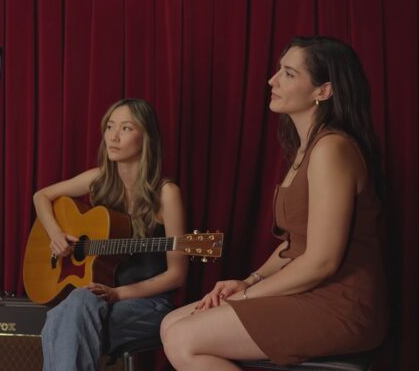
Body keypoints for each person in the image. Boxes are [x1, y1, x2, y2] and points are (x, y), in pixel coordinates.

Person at [160, 36, 387, 370]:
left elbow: (321, 262)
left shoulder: (331, 149)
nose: (272, 80)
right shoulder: (305, 150)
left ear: (323, 90)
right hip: (308, 291)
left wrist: (245, 297)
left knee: (183, 338)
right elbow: (294, 245)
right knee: (170, 323)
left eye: (289, 74)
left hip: (340, 303)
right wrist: (249, 280)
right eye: (279, 70)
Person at [36, 98, 187, 371]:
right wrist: (56, 234)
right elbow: (41, 196)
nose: (113, 137)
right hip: (95, 299)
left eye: (126, 128)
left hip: (147, 304)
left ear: (146, 138)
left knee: (62, 320)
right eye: (110, 126)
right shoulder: (100, 180)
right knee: (76, 308)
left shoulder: (166, 194)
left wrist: (117, 293)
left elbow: (177, 274)